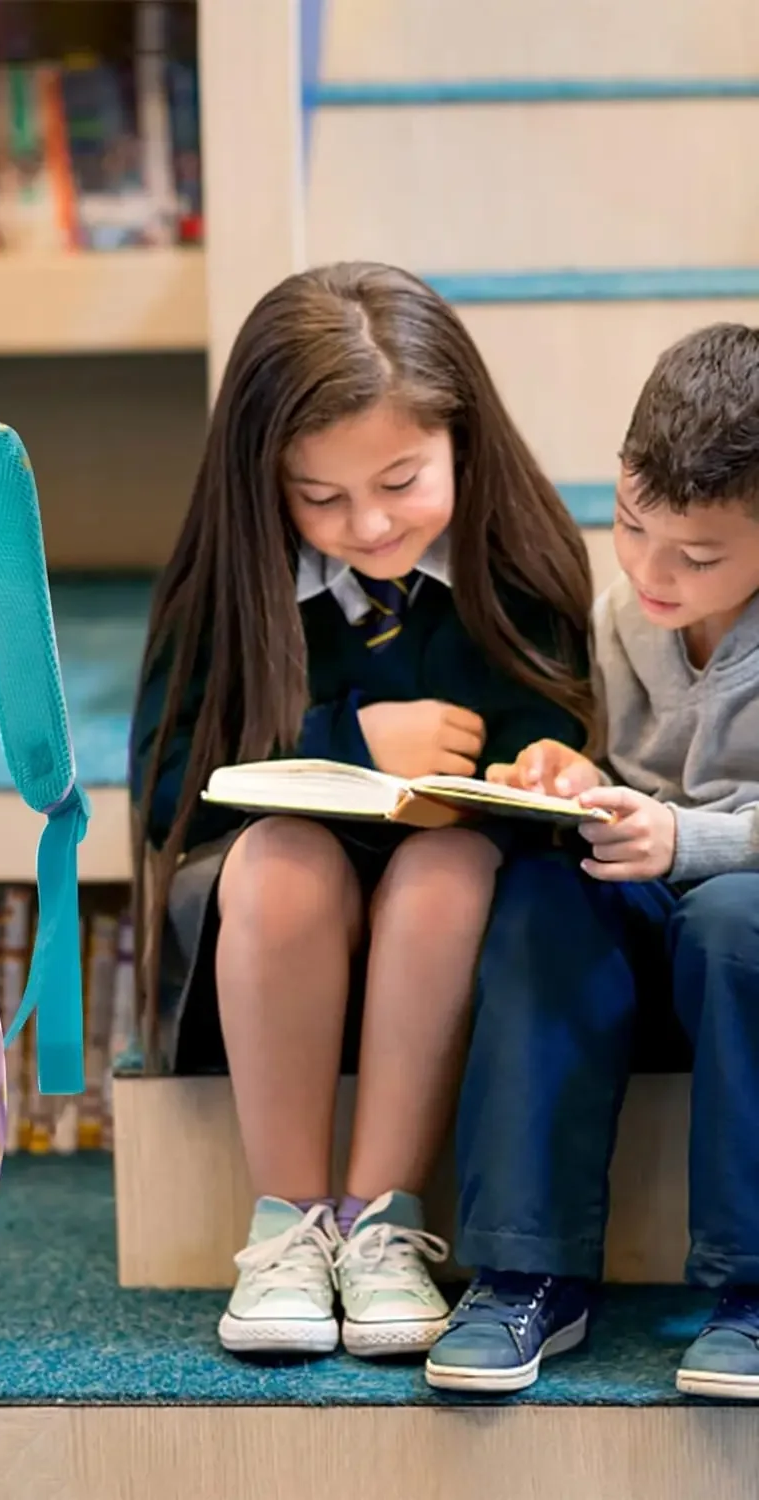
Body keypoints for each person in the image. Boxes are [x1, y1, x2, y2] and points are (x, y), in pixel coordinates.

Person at [128, 261, 596, 1359]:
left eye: (402, 481)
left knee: (451, 870)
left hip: (450, 904)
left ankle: (384, 1223)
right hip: (269, 914)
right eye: (322, 497)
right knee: (289, 860)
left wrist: (549, 773)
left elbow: (557, 735)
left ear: (462, 442)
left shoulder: (518, 564)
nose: (372, 525)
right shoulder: (226, 581)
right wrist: (347, 745)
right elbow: (165, 790)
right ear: (265, 483)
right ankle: (289, 1226)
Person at [426, 322, 759, 1398]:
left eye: (696, 557)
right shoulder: (625, 619)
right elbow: (619, 772)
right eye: (628, 525)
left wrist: (690, 839)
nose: (652, 572)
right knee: (538, 896)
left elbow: (697, 843)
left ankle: (751, 1291)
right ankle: (528, 1271)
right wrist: (573, 773)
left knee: (735, 920)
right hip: (652, 916)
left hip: (739, 933)